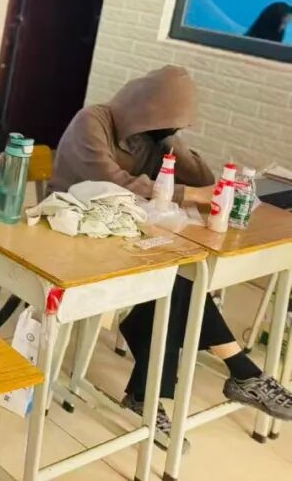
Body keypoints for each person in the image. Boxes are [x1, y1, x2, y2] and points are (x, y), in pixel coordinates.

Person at [54, 65, 292, 431]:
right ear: (142, 107)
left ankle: (156, 391)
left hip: (124, 230)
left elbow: (205, 180)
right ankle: (234, 371)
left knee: (179, 272)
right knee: (180, 278)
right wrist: (190, 193)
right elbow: (115, 182)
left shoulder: (153, 138)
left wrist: (173, 142)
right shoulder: (92, 122)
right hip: (72, 227)